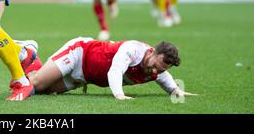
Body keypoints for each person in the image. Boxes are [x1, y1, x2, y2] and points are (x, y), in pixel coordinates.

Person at [27, 37, 197, 100]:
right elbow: (115, 71)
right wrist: (119, 95)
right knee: (35, 83)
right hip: (79, 53)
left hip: (84, 76)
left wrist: (175, 90)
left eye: (159, 70)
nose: (154, 72)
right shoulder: (133, 50)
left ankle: (28, 54)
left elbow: (164, 77)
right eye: (154, 66)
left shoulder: (155, 68)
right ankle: (29, 48)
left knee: (42, 90)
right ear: (151, 51)